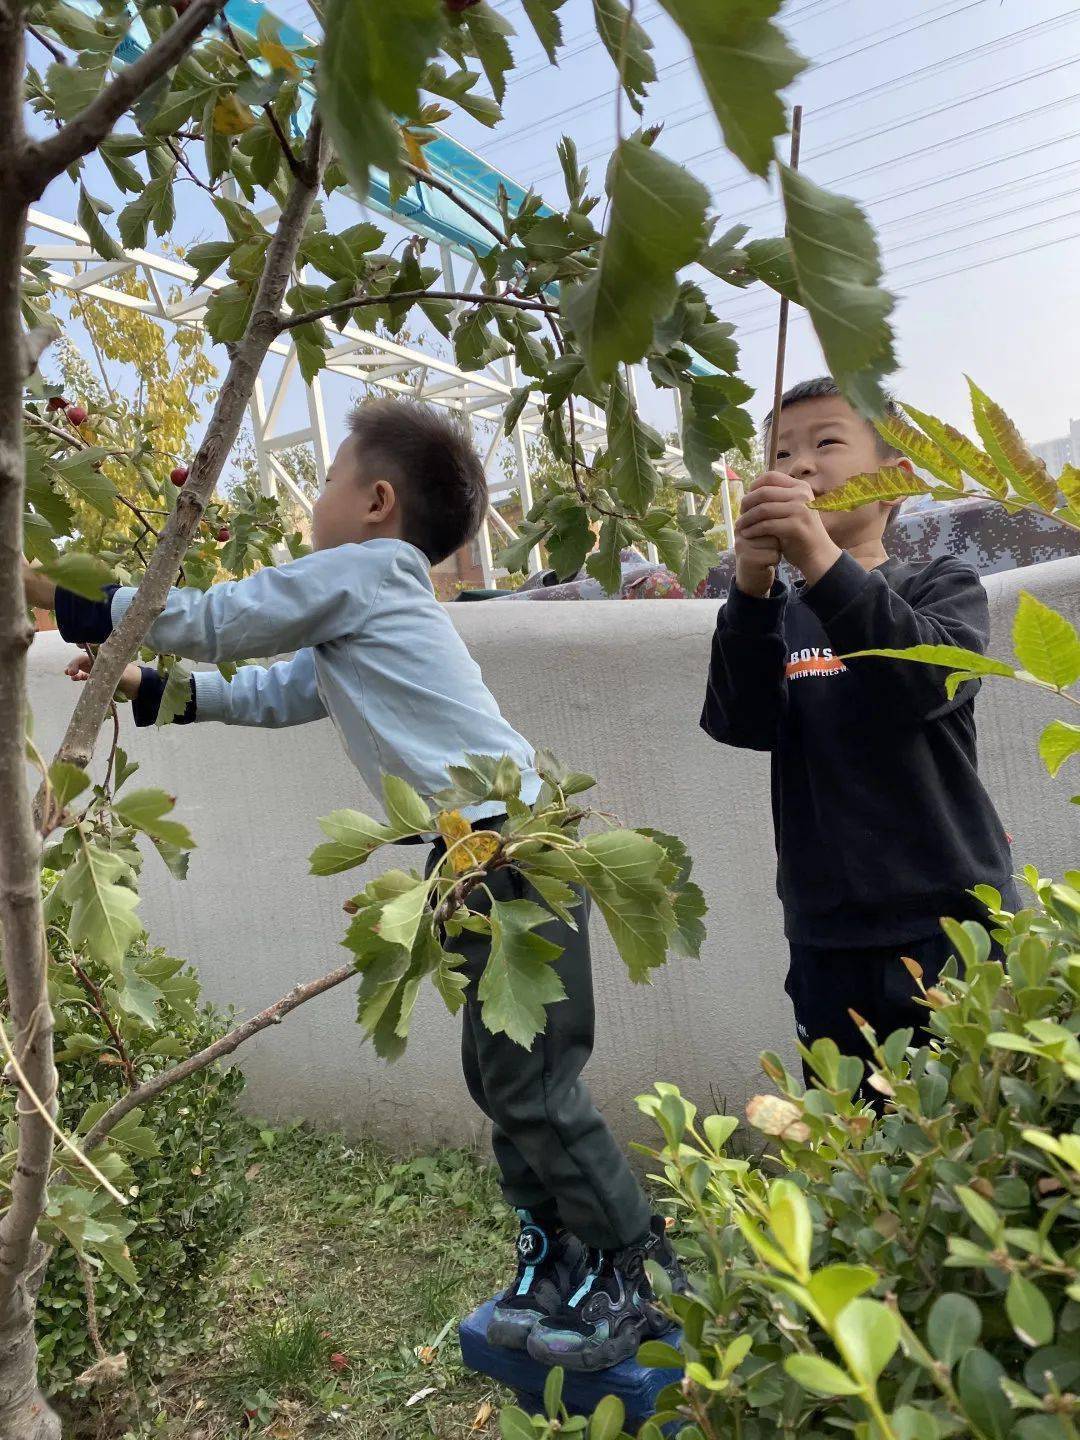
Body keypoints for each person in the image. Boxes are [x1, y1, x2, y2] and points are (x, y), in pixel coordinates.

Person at [25, 398, 682, 1372]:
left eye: (327, 480)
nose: (312, 504)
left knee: (534, 1081)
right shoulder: (367, 609)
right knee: (505, 1076)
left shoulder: (367, 572)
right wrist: (153, 690)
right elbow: (279, 692)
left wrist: (68, 593)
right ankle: (557, 1258)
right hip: (473, 854)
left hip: (509, 849)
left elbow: (219, 621)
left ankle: (639, 1272)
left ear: (375, 502)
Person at [700, 377, 1015, 1094]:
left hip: (952, 925)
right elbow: (739, 722)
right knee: (853, 1132)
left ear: (895, 481)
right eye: (781, 453)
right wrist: (750, 592)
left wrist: (816, 559)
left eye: (827, 442)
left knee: (973, 1119)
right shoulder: (774, 616)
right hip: (825, 934)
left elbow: (923, 685)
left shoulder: (942, 586)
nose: (799, 465)